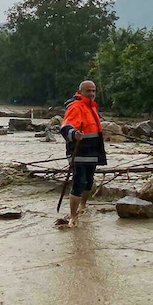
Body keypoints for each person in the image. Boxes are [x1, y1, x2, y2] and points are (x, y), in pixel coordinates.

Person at [60, 80, 107, 227]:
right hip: (78, 151)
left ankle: (83, 206)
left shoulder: (91, 107)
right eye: (88, 91)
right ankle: (73, 217)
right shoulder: (75, 106)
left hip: (92, 150)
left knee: (89, 181)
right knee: (79, 182)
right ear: (80, 92)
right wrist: (74, 134)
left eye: (93, 91)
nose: (92, 94)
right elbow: (65, 126)